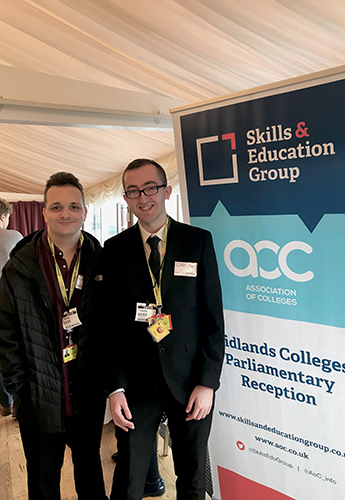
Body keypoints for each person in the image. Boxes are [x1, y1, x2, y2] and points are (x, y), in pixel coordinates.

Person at [102, 158, 225, 500]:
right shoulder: (114, 250)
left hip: (190, 384)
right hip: (136, 388)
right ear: (125, 198)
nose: (143, 197)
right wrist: (115, 389)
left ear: (167, 191)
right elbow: (110, 327)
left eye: (150, 187)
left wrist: (208, 382)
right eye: (133, 191)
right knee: (128, 480)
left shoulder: (198, 242)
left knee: (191, 480)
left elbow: (214, 319)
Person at [0, 173, 108, 500]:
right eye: (57, 206)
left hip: (87, 397)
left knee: (91, 481)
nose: (66, 213)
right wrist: (21, 389)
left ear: (85, 212)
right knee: (43, 486)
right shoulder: (19, 266)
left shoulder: (101, 262)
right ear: (44, 211)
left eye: (74, 206)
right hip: (39, 400)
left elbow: (109, 329)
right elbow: (5, 334)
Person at [0, 198, 23, 417]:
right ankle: (17, 405)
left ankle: (4, 402)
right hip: (9, 304)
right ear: (3, 216)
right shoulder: (14, 237)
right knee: (13, 352)